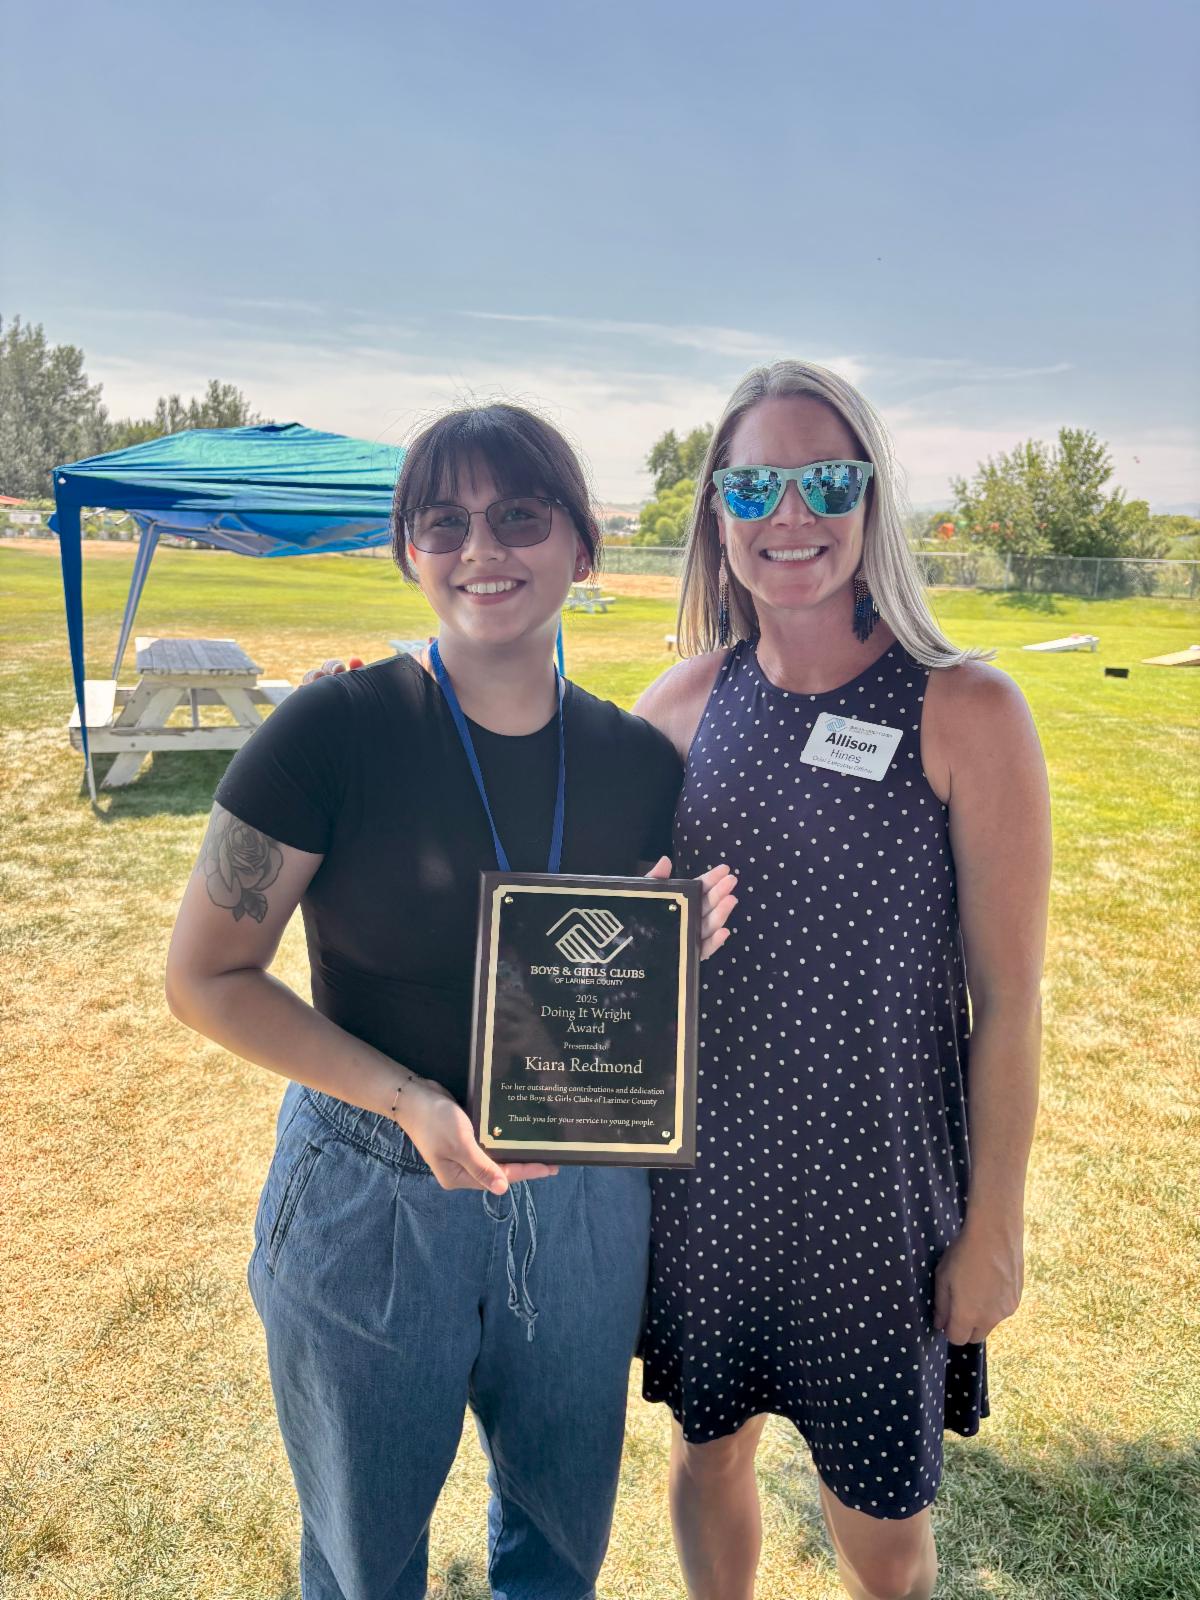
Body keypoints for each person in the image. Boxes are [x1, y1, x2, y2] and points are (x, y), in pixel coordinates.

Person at [165, 403, 737, 1600]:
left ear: (583, 548)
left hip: (583, 1199)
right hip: (371, 1195)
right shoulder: (333, 728)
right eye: (446, 521)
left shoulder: (637, 765)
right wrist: (407, 1096)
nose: (484, 548)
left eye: (519, 515)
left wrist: (680, 949)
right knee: (365, 1561)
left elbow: (617, 997)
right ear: (408, 552)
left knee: (560, 1550)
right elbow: (204, 976)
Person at [633, 361, 1050, 1600]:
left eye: (826, 479)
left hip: (879, 1201)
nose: (790, 515)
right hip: (708, 1183)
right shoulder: (681, 708)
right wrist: (385, 702)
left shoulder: (967, 710)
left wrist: (994, 1227)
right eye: (754, 484)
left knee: (885, 1542)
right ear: (717, 508)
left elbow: (1011, 1000)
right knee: (708, 1460)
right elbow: (560, 877)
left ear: (872, 499)